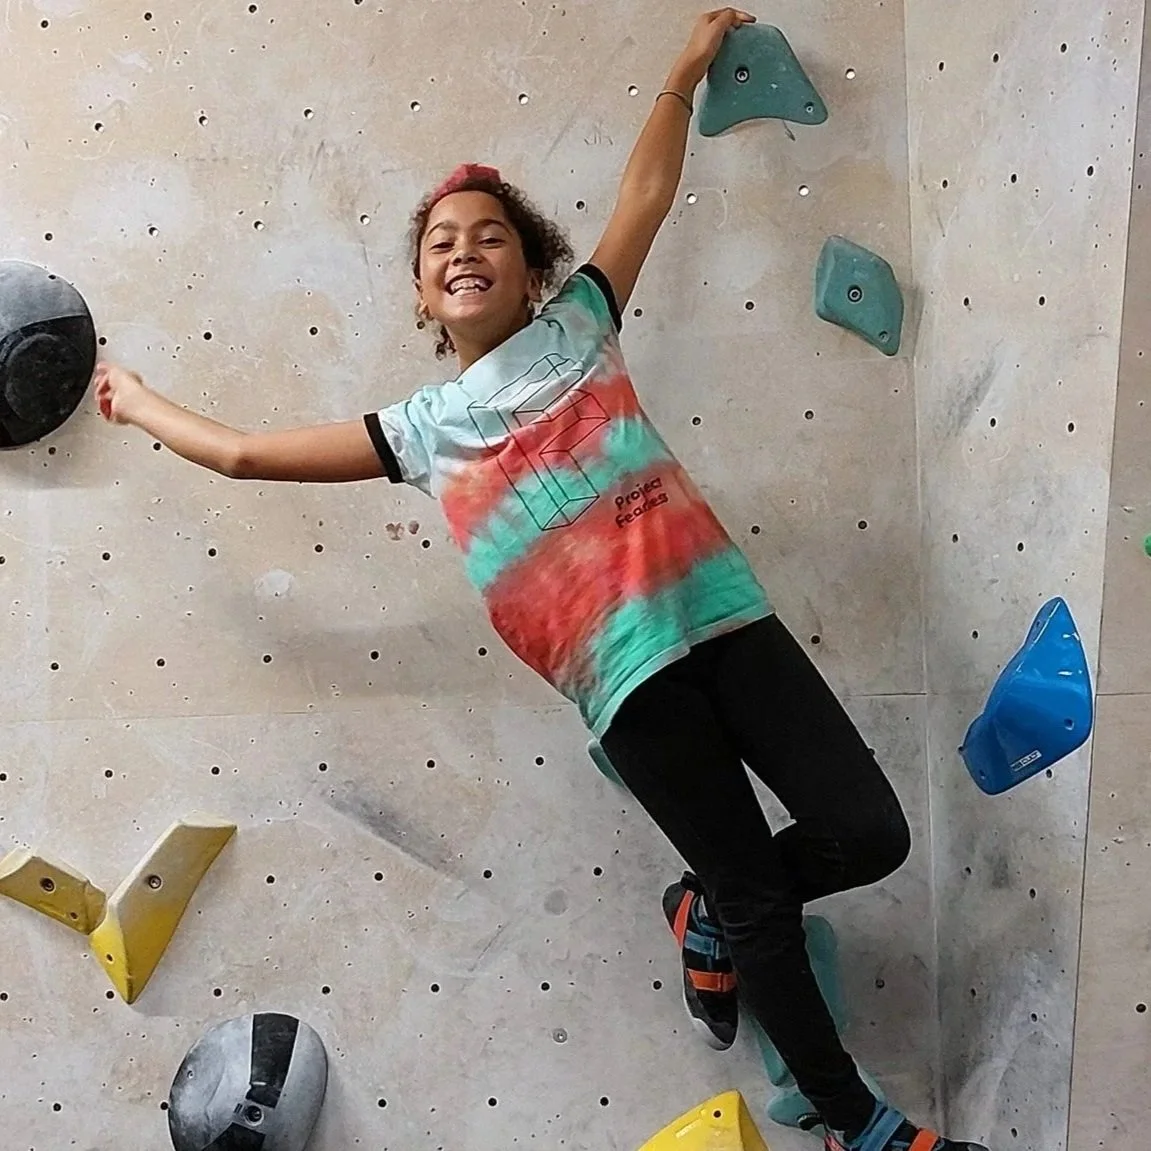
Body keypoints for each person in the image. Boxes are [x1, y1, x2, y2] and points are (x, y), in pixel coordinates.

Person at [93, 10, 987, 1150]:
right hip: (624, 682)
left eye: (489, 236)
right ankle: (855, 1122)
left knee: (867, 831)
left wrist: (676, 76)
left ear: (531, 265)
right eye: (439, 247)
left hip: (724, 620)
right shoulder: (421, 428)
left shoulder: (581, 325)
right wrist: (138, 401)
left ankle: (710, 910)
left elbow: (646, 200)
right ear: (422, 296)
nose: (463, 250)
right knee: (766, 901)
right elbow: (247, 452)